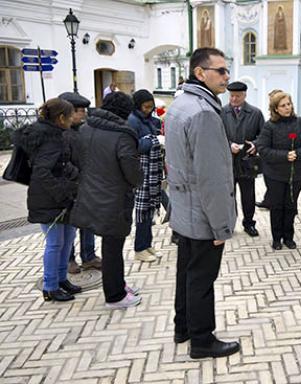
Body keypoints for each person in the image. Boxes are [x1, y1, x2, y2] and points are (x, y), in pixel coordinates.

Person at [164, 47, 239, 359]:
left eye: (226, 70)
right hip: (202, 214)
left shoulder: (179, 104)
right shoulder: (204, 113)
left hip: (184, 208)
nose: (226, 76)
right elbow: (212, 178)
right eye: (220, 71)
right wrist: (222, 226)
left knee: (187, 272)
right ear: (200, 73)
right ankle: (202, 340)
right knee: (202, 280)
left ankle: (183, 327)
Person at [69, 92, 144, 309]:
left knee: (109, 246)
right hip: (114, 198)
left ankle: (118, 284)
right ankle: (115, 296)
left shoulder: (86, 127)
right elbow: (133, 173)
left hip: (90, 193)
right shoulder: (123, 134)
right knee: (113, 248)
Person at [13, 98, 81, 301]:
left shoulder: (56, 135)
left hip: (62, 197)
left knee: (68, 239)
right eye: (70, 117)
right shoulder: (49, 138)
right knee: (55, 243)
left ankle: (61, 280)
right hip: (50, 199)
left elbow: (61, 164)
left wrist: (77, 175)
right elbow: (43, 172)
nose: (72, 120)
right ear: (61, 118)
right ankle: (50, 286)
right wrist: (62, 192)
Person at [258, 91, 301, 250]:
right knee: (277, 206)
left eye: (289, 104)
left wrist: (298, 153)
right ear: (276, 109)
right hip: (275, 175)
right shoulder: (269, 126)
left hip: (296, 174)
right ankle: (276, 238)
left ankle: (289, 237)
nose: (287, 108)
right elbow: (263, 149)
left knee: (291, 205)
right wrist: (284, 155)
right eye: (283, 105)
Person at [58, 92, 102, 274]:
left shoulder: (83, 130)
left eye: (84, 110)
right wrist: (77, 175)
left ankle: (89, 256)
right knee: (69, 226)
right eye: (80, 111)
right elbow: (61, 163)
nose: (84, 114)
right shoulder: (60, 134)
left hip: (86, 186)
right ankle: (69, 259)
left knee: (88, 222)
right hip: (69, 187)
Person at [221, 81, 264, 237]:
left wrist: (256, 144)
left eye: (237, 96)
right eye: (231, 96)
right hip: (227, 162)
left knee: (248, 195)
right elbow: (217, 136)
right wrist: (229, 144)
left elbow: (263, 136)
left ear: (245, 95)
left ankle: (249, 223)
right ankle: (230, 223)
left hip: (247, 161)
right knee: (228, 196)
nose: (233, 99)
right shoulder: (221, 112)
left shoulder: (256, 113)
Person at [127, 89, 163, 262]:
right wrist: (154, 141)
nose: (148, 110)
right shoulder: (132, 121)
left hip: (152, 170)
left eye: (151, 107)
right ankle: (139, 248)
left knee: (149, 210)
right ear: (138, 105)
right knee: (142, 211)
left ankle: (147, 244)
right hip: (142, 172)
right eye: (146, 107)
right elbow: (134, 146)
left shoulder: (148, 119)